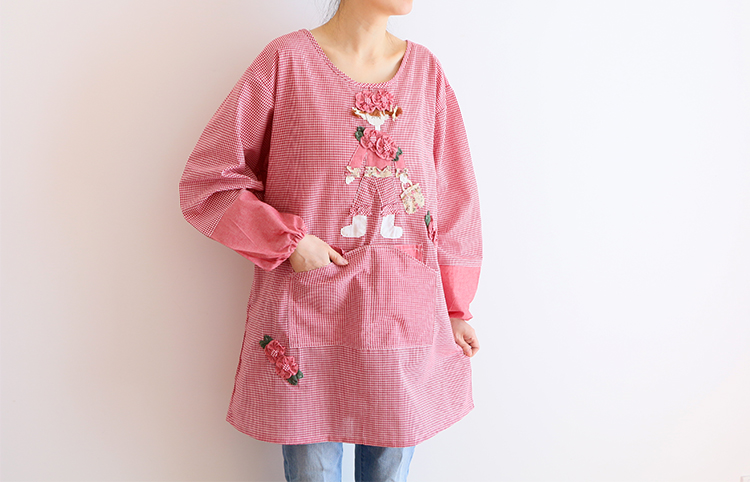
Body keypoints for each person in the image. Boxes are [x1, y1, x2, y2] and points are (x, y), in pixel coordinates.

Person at [179, 0, 482, 480]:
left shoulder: (426, 73)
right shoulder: (287, 62)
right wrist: (289, 242)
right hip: (308, 317)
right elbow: (209, 182)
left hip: (401, 320)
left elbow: (454, 196)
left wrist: (455, 306)